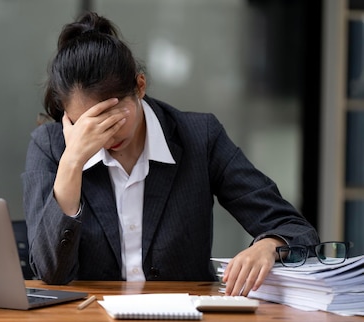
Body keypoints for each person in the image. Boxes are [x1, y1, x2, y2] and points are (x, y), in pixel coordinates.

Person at [21, 11, 319, 296]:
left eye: (111, 118)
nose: (103, 135)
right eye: (86, 125)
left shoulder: (200, 137)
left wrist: (268, 245)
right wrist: (72, 162)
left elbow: (296, 229)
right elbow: (50, 274)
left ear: (139, 86)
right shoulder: (50, 145)